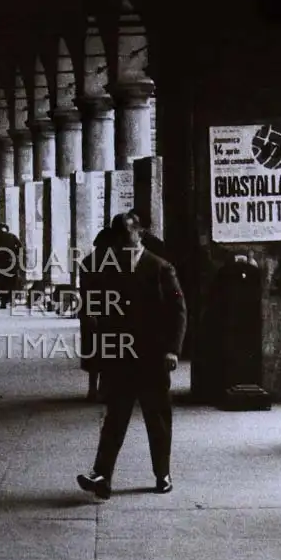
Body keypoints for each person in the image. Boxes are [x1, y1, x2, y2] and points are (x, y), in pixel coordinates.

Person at [76, 210, 187, 499]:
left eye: (127, 235)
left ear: (140, 233)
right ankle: (102, 475)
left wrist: (172, 350)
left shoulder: (160, 268)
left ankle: (162, 473)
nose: (123, 242)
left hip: (152, 357)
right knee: (114, 418)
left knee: (157, 418)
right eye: (118, 237)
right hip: (120, 357)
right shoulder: (108, 267)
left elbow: (178, 311)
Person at [78, 226, 115, 402]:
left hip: (91, 310)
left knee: (93, 351)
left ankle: (93, 389)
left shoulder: (88, 261)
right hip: (105, 311)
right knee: (107, 351)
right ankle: (102, 389)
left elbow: (84, 290)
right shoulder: (112, 262)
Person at [0, 223, 23, 309]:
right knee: (13, 281)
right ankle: (12, 300)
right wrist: (15, 252)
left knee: (2, 281)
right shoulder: (12, 236)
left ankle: (3, 302)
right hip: (12, 261)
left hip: (1, 262)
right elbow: (20, 246)